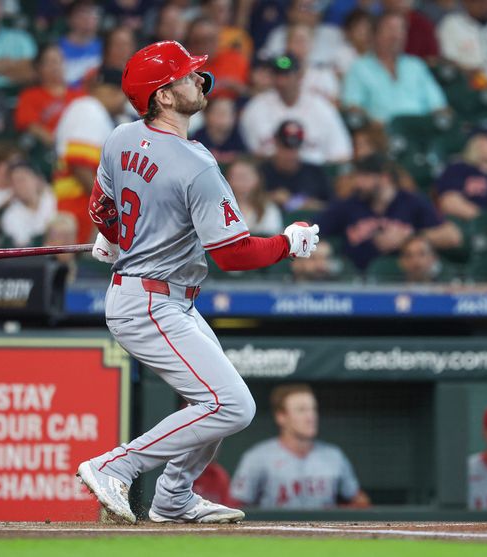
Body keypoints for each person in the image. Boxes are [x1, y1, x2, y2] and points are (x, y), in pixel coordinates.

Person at [75, 40, 319, 525]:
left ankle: (173, 498)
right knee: (233, 405)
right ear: (162, 96)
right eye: (185, 76)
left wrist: (115, 239)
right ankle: (114, 466)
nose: (198, 80)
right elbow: (232, 254)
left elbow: (102, 209)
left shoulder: (120, 136)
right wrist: (288, 243)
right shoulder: (197, 165)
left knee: (212, 399)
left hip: (151, 293)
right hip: (152, 301)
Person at [230, 384, 370, 509]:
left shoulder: (333, 456)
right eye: (301, 410)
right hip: (276, 534)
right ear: (281, 416)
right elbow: (235, 505)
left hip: (323, 535)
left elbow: (359, 501)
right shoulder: (257, 457)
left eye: (313, 409)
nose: (311, 416)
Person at [318, 154, 462, 271]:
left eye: (365, 176)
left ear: (384, 178)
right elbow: (312, 229)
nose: (358, 183)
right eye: (358, 176)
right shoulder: (349, 204)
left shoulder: (411, 202)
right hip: (358, 281)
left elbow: (453, 236)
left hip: (404, 280)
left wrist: (408, 238)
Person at [53, 67, 127, 244]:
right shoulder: (89, 109)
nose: (125, 102)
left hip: (84, 208)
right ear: (113, 92)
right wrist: (108, 206)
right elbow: (80, 167)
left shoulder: (95, 112)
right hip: (76, 207)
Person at [240, 54, 352, 165]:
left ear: (299, 76)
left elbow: (341, 155)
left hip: (313, 173)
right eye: (277, 75)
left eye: (286, 75)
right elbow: (250, 156)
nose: (281, 81)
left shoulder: (322, 107)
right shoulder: (256, 107)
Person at [342, 12, 448, 123]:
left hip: (421, 131)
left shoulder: (416, 65)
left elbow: (439, 105)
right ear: (375, 35)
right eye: (390, 29)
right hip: (382, 132)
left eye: (401, 29)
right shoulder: (359, 68)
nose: (396, 35)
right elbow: (352, 107)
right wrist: (371, 128)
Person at [14, 44, 83, 147]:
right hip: (49, 149)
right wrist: (58, 143)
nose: (55, 66)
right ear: (39, 68)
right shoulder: (29, 96)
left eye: (59, 61)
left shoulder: (80, 95)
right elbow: (32, 126)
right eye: (49, 62)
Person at [261, 120, 333, 212]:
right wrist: (270, 198)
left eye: (295, 148)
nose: (290, 154)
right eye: (285, 148)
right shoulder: (262, 171)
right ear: (276, 144)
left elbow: (331, 207)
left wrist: (309, 205)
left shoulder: (315, 172)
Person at [259, 0, 348, 73]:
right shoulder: (279, 34)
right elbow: (268, 61)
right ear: (291, 12)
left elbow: (344, 63)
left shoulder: (333, 34)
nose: (309, 12)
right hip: (287, 83)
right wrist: (292, 64)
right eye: (304, 7)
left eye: (314, 7)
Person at [186, 17, 249, 99]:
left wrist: (240, 89)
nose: (206, 45)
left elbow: (251, 93)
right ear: (191, 42)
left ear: (218, 38)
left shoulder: (236, 59)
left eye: (210, 39)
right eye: (199, 41)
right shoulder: (185, 65)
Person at [438, 0, 487, 74]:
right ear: (465, 3)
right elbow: (448, 61)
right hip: (468, 78)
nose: (483, 4)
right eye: (476, 1)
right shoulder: (451, 24)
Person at [0, 162, 56, 247]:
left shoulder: (53, 199)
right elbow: (24, 247)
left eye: (22, 180)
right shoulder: (10, 216)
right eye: (14, 182)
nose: (19, 185)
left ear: (37, 180)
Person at [225, 159, 283, 236]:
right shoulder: (219, 209)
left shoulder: (269, 208)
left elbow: (275, 239)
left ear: (257, 178)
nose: (240, 181)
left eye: (244, 176)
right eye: (235, 176)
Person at [59, 0, 102, 87]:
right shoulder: (57, 48)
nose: (87, 18)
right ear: (70, 19)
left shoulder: (106, 47)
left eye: (91, 12)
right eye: (82, 13)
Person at [192, 98, 246, 165]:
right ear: (207, 115)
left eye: (227, 112)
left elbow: (244, 158)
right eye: (218, 112)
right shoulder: (196, 138)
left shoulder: (238, 137)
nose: (223, 117)